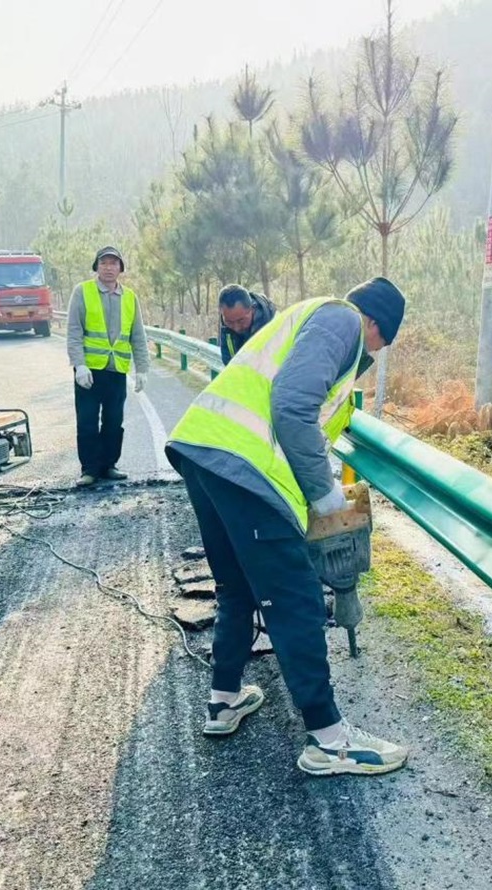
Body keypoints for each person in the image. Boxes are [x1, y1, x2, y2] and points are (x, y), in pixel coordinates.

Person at [166, 277, 407, 776]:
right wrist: (324, 494)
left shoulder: (310, 323)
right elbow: (293, 408)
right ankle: (328, 738)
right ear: (374, 323)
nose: (374, 353)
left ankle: (224, 700)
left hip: (205, 449)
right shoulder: (342, 320)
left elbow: (304, 421)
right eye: (381, 342)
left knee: (236, 585)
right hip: (243, 466)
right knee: (296, 597)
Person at [66, 246, 150, 487]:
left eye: (114, 263)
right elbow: (74, 331)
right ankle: (89, 470)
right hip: (89, 371)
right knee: (87, 422)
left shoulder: (130, 297)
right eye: (104, 263)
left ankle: (109, 465)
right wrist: (79, 365)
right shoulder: (83, 291)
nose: (109, 268)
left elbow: (138, 336)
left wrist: (142, 369)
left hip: (117, 371)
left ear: (120, 268)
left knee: (114, 421)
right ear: (97, 266)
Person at [218, 284, 276, 365]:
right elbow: (228, 361)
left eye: (241, 321)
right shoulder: (226, 326)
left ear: (253, 309)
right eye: (229, 322)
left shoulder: (274, 325)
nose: (236, 328)